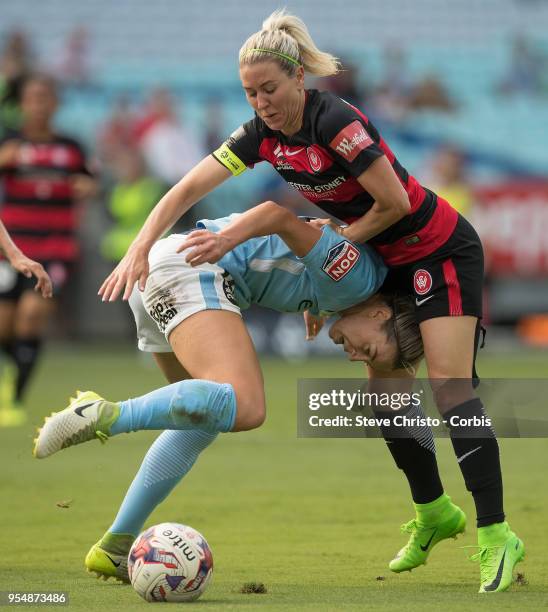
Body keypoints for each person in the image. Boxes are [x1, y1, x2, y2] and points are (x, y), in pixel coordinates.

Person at [98, 10, 523, 593]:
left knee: (451, 385)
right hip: (382, 257)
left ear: (298, 79)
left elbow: (395, 203)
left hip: (434, 249)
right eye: (250, 93)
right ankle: (433, 513)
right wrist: (141, 246)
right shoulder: (261, 135)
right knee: (388, 398)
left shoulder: (335, 119)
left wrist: (329, 257)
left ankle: (496, 532)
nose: (261, 103)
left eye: (269, 89)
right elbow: (188, 188)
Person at [35, 201, 422, 583]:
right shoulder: (358, 279)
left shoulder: (349, 289)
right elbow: (276, 215)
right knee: (247, 407)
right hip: (195, 265)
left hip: (166, 267)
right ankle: (106, 414)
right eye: (367, 350)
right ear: (380, 313)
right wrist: (224, 242)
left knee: (203, 416)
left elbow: (308, 251)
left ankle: (115, 546)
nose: (355, 357)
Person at [0, 74, 95, 425]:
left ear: (55, 104)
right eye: (32, 98)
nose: (39, 105)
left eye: (45, 97)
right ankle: (13, 372)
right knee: (5, 326)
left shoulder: (72, 147)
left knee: (31, 315)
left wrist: (86, 186)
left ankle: (14, 399)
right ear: (21, 103)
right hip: (11, 247)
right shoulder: (9, 143)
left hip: (55, 247)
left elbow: (90, 181)